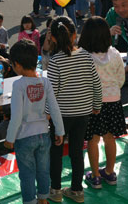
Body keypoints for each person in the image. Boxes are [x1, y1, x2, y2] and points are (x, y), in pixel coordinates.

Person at [47, 16, 102, 203]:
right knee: (77, 151)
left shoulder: (55, 61)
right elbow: (96, 84)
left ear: (53, 38)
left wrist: (47, 114)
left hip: (61, 116)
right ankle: (77, 190)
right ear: (74, 35)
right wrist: (96, 106)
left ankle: (55, 189)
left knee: (56, 152)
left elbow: (52, 93)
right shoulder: (85, 55)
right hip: (83, 113)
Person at [4, 39, 65, 204]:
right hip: (44, 135)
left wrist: (10, 138)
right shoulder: (45, 82)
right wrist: (60, 131)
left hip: (24, 137)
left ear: (17, 64)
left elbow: (16, 116)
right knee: (44, 170)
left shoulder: (18, 85)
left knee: (27, 174)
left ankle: (30, 201)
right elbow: (54, 108)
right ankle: (43, 199)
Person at [79, 17, 126, 188]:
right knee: (109, 138)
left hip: (93, 104)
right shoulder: (114, 53)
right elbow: (121, 78)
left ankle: (96, 175)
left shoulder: (83, 56)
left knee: (92, 139)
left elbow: (82, 83)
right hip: (113, 101)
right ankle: (110, 172)